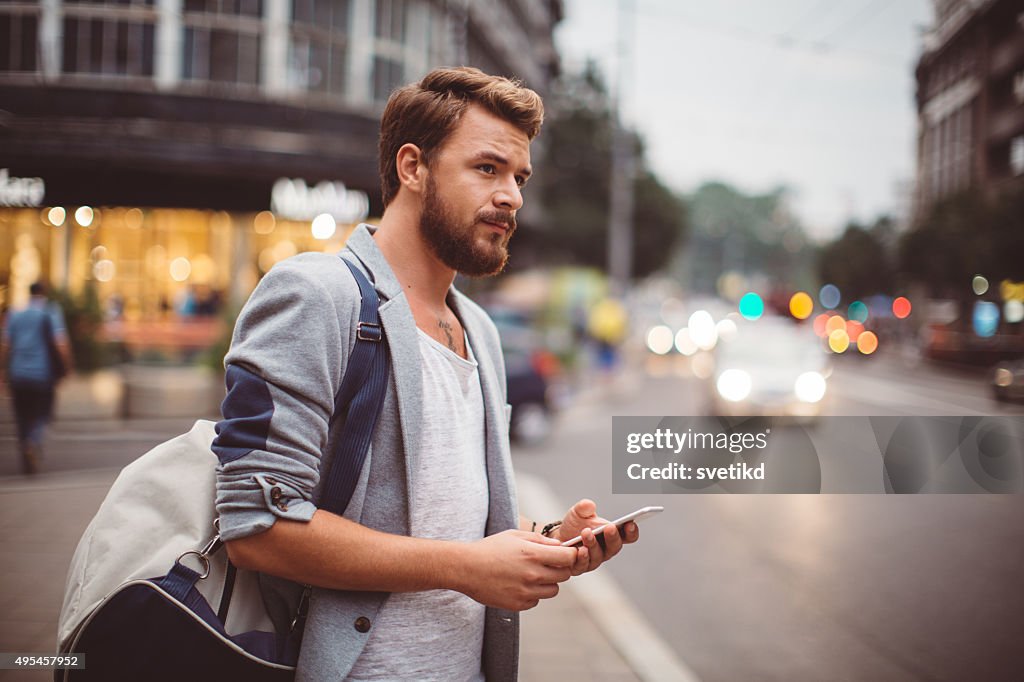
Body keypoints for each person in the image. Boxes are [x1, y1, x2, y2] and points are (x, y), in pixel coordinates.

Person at [212, 66, 640, 682]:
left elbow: (446, 523)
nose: (513, 196)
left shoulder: (481, 334)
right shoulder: (318, 296)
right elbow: (255, 526)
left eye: (519, 177)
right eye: (487, 168)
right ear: (413, 168)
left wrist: (547, 538)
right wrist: (465, 569)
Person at [1, 281, 73, 474]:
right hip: (43, 374)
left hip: (18, 374)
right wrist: (67, 367)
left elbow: (6, 345)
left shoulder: (15, 314)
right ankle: (33, 441)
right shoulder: (50, 312)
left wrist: (3, 371)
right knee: (42, 413)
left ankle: (25, 445)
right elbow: (61, 343)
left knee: (21, 416)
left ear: (29, 293)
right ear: (44, 293)